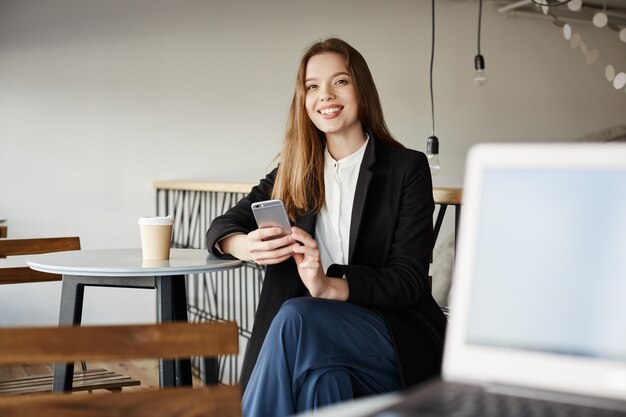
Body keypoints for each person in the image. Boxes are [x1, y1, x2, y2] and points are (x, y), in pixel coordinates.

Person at [206, 37, 446, 417]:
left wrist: (327, 286)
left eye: (340, 81)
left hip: (390, 333)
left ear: (361, 91)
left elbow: (408, 280)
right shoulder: (294, 172)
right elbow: (223, 225)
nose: (325, 95)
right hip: (319, 342)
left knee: (295, 315)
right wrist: (245, 246)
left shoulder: (406, 169)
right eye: (313, 86)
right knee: (323, 383)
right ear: (304, 101)